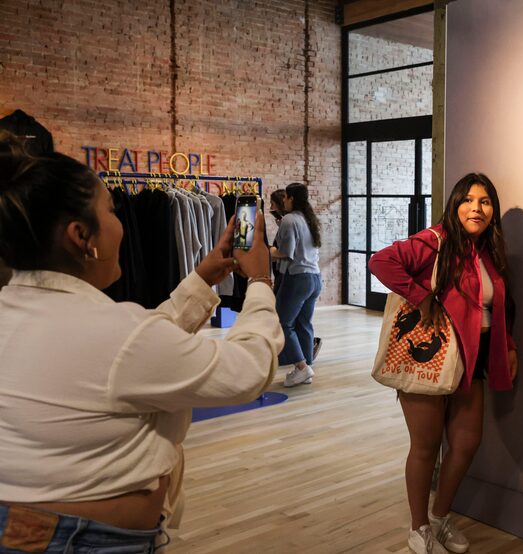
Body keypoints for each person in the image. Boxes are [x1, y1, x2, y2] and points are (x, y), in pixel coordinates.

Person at [0, 132, 282, 552]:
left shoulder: (16, 308)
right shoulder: (117, 334)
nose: (120, 223)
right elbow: (249, 369)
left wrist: (202, 278)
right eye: (111, 210)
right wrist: (259, 279)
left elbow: (134, 347)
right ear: (82, 235)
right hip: (89, 542)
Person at [369, 173, 519, 554]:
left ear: (493, 211)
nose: (476, 208)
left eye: (485, 202)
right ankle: (418, 526)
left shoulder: (489, 251)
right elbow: (381, 261)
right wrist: (421, 297)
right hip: (431, 359)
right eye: (468, 200)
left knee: (466, 444)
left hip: (474, 361)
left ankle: (439, 516)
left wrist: (510, 346)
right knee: (425, 446)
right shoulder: (436, 241)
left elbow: (499, 309)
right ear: (454, 205)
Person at [271, 182, 323, 387]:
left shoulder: (289, 219)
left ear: (291, 198)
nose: (283, 201)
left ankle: (302, 368)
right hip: (315, 278)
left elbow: (284, 253)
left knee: (283, 323)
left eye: (285, 198)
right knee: (303, 323)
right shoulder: (309, 219)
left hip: (297, 278)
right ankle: (304, 368)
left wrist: (260, 252)